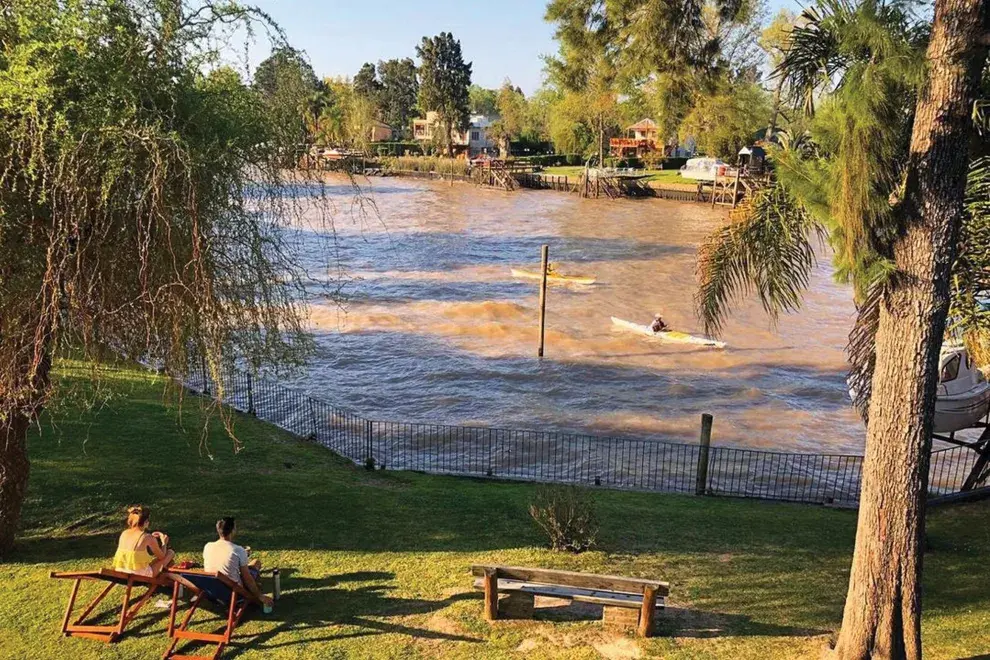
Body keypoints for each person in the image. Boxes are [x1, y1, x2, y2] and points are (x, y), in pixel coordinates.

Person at [203, 517, 273, 607]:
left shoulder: (208, 546)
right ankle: (257, 588)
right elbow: (247, 578)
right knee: (256, 563)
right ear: (233, 530)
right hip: (233, 592)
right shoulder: (237, 550)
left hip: (212, 589)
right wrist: (260, 596)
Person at [113, 505, 175, 577]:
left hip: (121, 571)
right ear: (145, 522)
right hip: (138, 575)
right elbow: (162, 556)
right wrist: (164, 542)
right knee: (170, 553)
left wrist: (152, 538)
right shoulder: (147, 537)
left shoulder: (124, 533)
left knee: (153, 563)